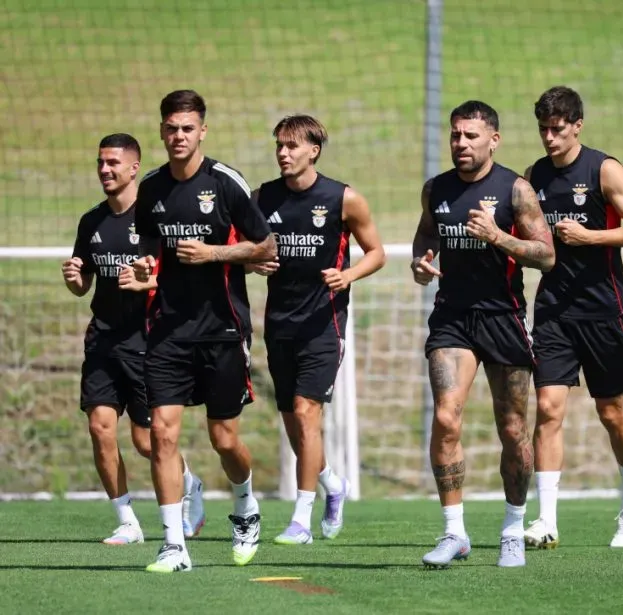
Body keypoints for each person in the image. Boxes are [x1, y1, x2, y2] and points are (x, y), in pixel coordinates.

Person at [132, 90, 277, 572]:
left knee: (224, 438)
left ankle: (245, 506)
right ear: (161, 131)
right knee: (163, 436)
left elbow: (266, 246)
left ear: (202, 131)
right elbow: (150, 255)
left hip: (223, 330)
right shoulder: (150, 188)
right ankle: (174, 544)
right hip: (168, 329)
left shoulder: (226, 182)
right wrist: (140, 271)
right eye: (171, 128)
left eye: (187, 128)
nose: (179, 136)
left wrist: (215, 253)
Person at [410, 100, 554, 568]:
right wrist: (422, 261)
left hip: (503, 317)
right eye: (455, 135)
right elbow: (425, 236)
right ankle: (454, 532)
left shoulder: (515, 190)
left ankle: (513, 528)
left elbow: (545, 255)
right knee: (446, 418)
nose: (461, 144)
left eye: (471, 136)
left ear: (493, 139)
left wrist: (499, 237)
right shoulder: (436, 189)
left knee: (512, 429)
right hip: (452, 318)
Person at [521, 86, 623, 550]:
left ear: (577, 125)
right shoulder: (533, 177)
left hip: (603, 308)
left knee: (611, 411)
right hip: (554, 309)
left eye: (557, 129)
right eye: (543, 129)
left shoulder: (604, 169)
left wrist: (589, 236)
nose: (549, 138)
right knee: (547, 408)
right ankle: (546, 520)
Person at [249, 115, 386, 545]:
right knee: (294, 422)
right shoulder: (262, 197)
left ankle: (300, 520)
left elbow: (377, 253)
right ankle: (332, 484)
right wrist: (254, 262)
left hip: (323, 325)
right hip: (279, 323)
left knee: (308, 415)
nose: (283, 153)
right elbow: (244, 250)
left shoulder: (343, 198)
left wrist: (349, 277)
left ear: (314, 151)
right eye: (279, 146)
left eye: (291, 145)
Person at [64, 133, 205, 546]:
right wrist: (76, 279)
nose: (105, 170)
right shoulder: (91, 221)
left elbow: (181, 282)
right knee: (99, 427)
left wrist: (150, 283)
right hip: (104, 341)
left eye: (112, 163)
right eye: (100, 163)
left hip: (149, 342)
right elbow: (84, 280)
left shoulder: (157, 221)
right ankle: (127, 520)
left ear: (133, 168)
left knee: (147, 442)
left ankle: (190, 484)